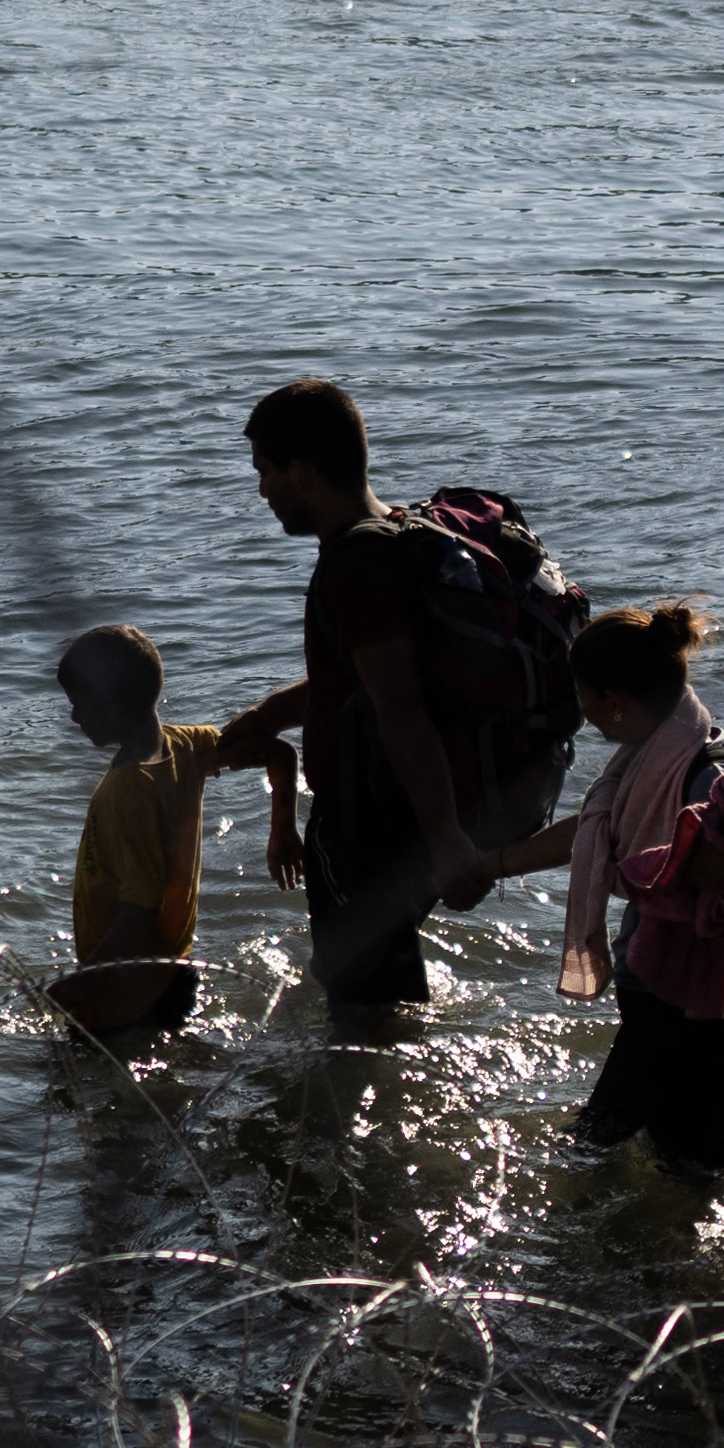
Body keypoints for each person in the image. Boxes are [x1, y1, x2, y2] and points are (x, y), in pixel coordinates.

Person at [215, 376, 511, 1026]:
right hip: (398, 818)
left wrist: (444, 840)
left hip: (367, 828)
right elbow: (363, 679)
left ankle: (357, 1122)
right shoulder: (394, 530)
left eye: (264, 472)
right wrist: (268, 716)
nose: (261, 490)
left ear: (301, 472)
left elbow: (396, 703)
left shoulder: (354, 566)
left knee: (365, 1019)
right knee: (364, 985)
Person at [555, 601, 724, 1185]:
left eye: (585, 697)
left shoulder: (704, 775)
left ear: (614, 699)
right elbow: (596, 829)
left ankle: (707, 1259)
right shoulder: (653, 756)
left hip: (695, 999)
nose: (585, 714)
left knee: (689, 1144)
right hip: (656, 987)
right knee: (608, 1136)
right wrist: (493, 862)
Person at [51, 622, 289, 1040]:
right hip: (176, 970)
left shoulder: (128, 787)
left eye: (79, 706)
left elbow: (142, 904)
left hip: (122, 997)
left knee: (79, 1097)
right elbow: (278, 750)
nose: (73, 717)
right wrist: (283, 830)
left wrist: (86, 979)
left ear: (116, 713)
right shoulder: (186, 745)